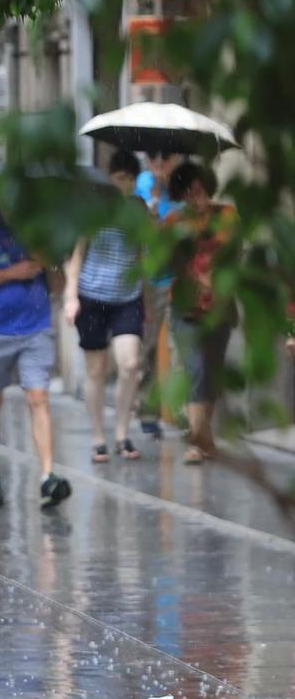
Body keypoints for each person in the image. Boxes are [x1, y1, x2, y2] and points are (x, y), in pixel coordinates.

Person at [0, 216, 71, 508]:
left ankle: (47, 475)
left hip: (36, 328)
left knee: (38, 397)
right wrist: (9, 274)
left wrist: (48, 262)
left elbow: (58, 286)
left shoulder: (39, 232)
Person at [63, 155, 149, 462]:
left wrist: (147, 301)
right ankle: (99, 436)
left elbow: (142, 257)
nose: (122, 182)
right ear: (108, 177)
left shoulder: (139, 210)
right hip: (92, 295)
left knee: (129, 365)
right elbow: (76, 257)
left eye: (129, 177)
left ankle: (123, 432)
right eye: (118, 176)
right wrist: (71, 297)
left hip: (128, 296)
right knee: (96, 369)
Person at [163, 161, 238, 464]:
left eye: (202, 191)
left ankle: (203, 436)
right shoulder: (173, 222)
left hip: (219, 308)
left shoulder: (227, 216)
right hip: (186, 310)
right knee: (195, 371)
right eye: (191, 193)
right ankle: (198, 441)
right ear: (180, 195)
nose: (198, 199)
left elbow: (233, 252)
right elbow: (163, 263)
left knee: (213, 375)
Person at [130, 150, 180, 438]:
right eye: (154, 158)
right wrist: (153, 203)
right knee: (147, 347)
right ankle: (148, 412)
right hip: (150, 279)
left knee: (179, 347)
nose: (160, 164)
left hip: (179, 277)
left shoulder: (182, 187)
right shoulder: (141, 185)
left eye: (166, 158)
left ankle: (182, 412)